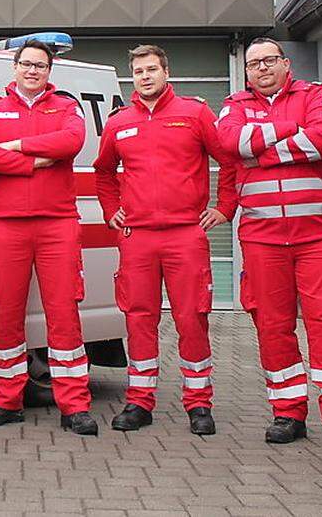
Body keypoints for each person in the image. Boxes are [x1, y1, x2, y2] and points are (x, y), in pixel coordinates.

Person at [216, 37, 322, 454]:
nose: (261, 68)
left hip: (319, 236)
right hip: (263, 239)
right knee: (271, 325)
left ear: (286, 64)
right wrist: (287, 130)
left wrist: (258, 152)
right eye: (253, 64)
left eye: (269, 60)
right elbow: (231, 144)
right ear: (246, 72)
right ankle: (288, 412)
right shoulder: (233, 105)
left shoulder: (315, 94)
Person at [93, 44, 237, 436]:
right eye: (138, 71)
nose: (145, 76)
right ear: (132, 77)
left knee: (192, 318)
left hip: (185, 235)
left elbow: (229, 160)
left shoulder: (195, 113)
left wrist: (225, 208)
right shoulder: (119, 122)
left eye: (151, 69)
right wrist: (111, 212)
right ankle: (140, 402)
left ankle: (199, 403)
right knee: (139, 318)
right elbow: (103, 172)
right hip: (137, 237)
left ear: (166, 72)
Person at [0, 39, 97, 436]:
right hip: (7, 223)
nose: (32, 71)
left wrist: (18, 146)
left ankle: (74, 405)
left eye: (40, 66)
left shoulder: (66, 106)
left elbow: (71, 142)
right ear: (15, 67)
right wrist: (36, 162)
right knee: (6, 313)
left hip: (57, 223)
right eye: (26, 64)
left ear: (49, 71)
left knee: (64, 314)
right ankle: (6, 400)